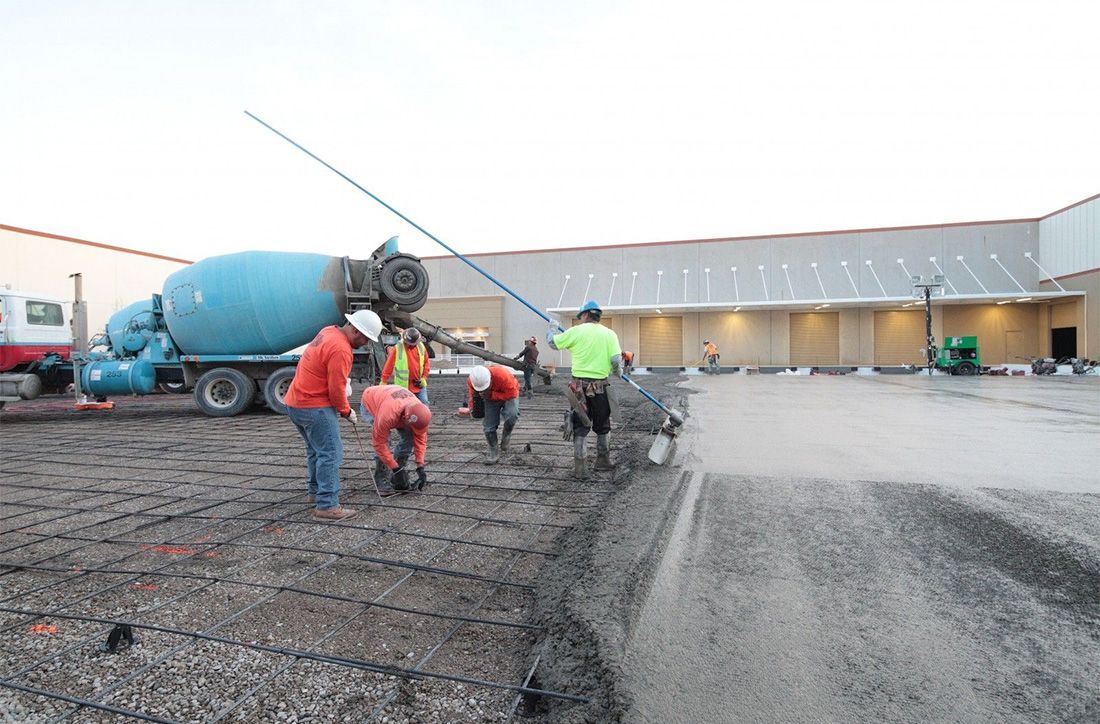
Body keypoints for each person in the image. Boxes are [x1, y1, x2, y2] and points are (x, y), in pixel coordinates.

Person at [284, 309, 382, 521]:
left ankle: (315, 493)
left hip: (295, 403)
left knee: (315, 450)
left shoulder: (328, 331)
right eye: (366, 338)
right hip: (314, 406)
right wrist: (346, 410)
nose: (366, 343)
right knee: (330, 453)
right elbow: (336, 389)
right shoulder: (341, 349)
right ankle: (327, 505)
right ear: (356, 330)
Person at [547, 300, 623, 479]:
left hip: (578, 388)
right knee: (603, 425)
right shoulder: (609, 334)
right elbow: (615, 360)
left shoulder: (575, 331)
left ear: (586, 315)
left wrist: (552, 328)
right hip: (600, 387)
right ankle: (603, 461)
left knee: (581, 425)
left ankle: (581, 469)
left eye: (581, 316)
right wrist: (617, 370)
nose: (580, 319)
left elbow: (552, 343)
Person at [360, 384, 432, 497]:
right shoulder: (387, 416)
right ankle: (381, 477)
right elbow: (379, 444)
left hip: (392, 398)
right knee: (385, 441)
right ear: (404, 420)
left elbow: (420, 439)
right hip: (371, 400)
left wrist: (420, 466)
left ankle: (397, 475)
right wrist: (395, 468)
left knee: (410, 437)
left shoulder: (419, 411)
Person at [467, 365, 520, 464]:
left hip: (508, 394)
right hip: (489, 398)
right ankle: (493, 451)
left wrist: (492, 395)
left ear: (490, 379)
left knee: (512, 415)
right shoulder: (472, 381)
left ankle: (506, 434)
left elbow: (513, 393)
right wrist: (472, 408)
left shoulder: (502, 375)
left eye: (485, 387)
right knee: (488, 426)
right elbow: (472, 395)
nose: (483, 390)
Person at [381, 327, 430, 404]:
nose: (411, 346)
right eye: (410, 344)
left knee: (423, 403)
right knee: (403, 407)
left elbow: (426, 363)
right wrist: (384, 381)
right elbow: (389, 365)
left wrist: (424, 378)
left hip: (418, 385)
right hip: (403, 387)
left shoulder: (421, 347)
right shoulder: (398, 348)